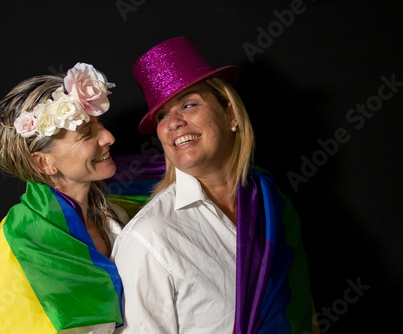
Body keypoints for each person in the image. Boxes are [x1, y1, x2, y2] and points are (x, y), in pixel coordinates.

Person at [111, 37, 316, 333]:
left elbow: (302, 310)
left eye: (188, 104)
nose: (173, 123)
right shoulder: (150, 237)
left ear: (230, 113)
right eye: (162, 115)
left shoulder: (271, 201)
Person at [0, 63, 127, 334]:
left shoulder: (116, 217)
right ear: (43, 163)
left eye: (100, 125)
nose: (109, 137)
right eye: (87, 134)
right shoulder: (21, 237)